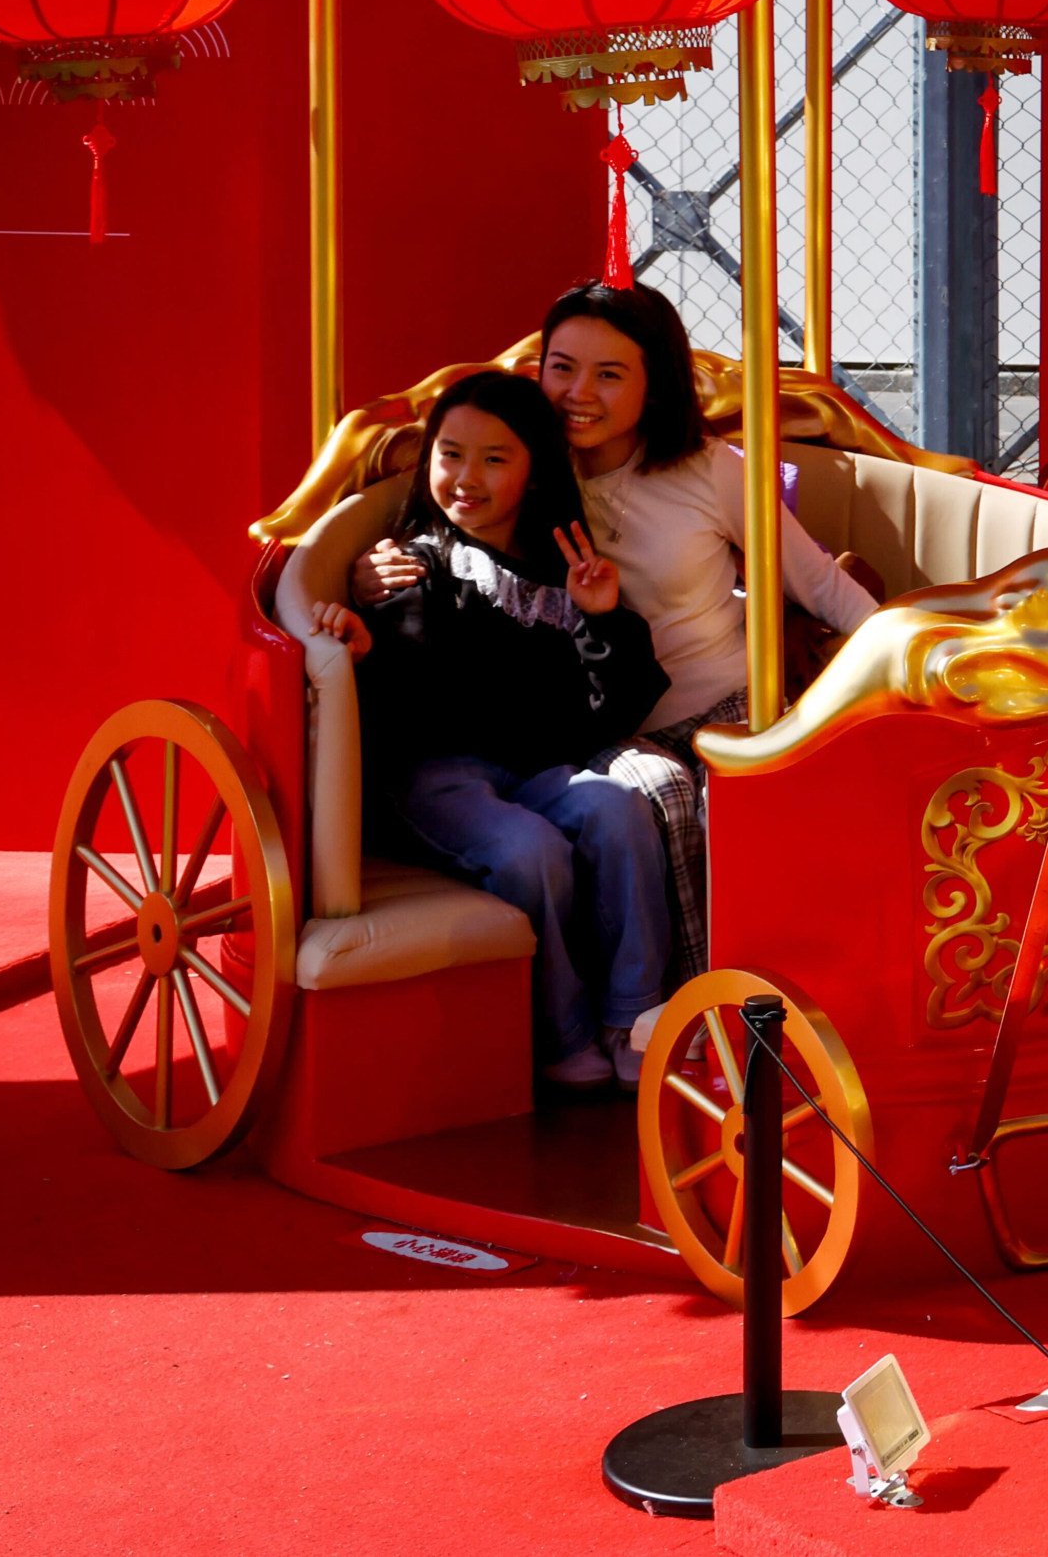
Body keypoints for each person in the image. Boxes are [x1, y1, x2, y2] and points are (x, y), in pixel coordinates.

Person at [351, 282, 877, 1048]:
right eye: (562, 368)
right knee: (659, 793)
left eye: (609, 374)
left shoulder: (708, 470)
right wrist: (368, 573)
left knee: (762, 798)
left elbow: (818, 582)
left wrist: (904, 654)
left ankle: (803, 1000)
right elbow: (439, 527)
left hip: (724, 696)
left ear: (653, 382)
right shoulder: (521, 462)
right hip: (609, 721)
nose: (579, 393)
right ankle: (690, 1023)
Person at [319, 370, 671, 1091]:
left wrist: (600, 618)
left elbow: (614, 707)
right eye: (450, 455)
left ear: (534, 470)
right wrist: (361, 629)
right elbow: (407, 687)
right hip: (439, 777)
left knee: (621, 810)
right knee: (529, 850)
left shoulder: (563, 567)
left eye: (494, 459)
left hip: (540, 769)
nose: (466, 478)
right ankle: (563, 1033)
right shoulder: (411, 562)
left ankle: (633, 1014)